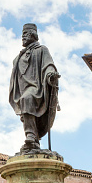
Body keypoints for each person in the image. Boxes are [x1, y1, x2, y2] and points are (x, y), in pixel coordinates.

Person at [9, 23, 59, 152]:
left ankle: (30, 135)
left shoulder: (42, 50)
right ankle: (33, 139)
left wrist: (50, 75)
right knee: (25, 101)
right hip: (22, 88)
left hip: (37, 87)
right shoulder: (18, 57)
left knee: (27, 98)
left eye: (25, 34)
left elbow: (49, 65)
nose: (23, 38)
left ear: (33, 34)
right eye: (22, 35)